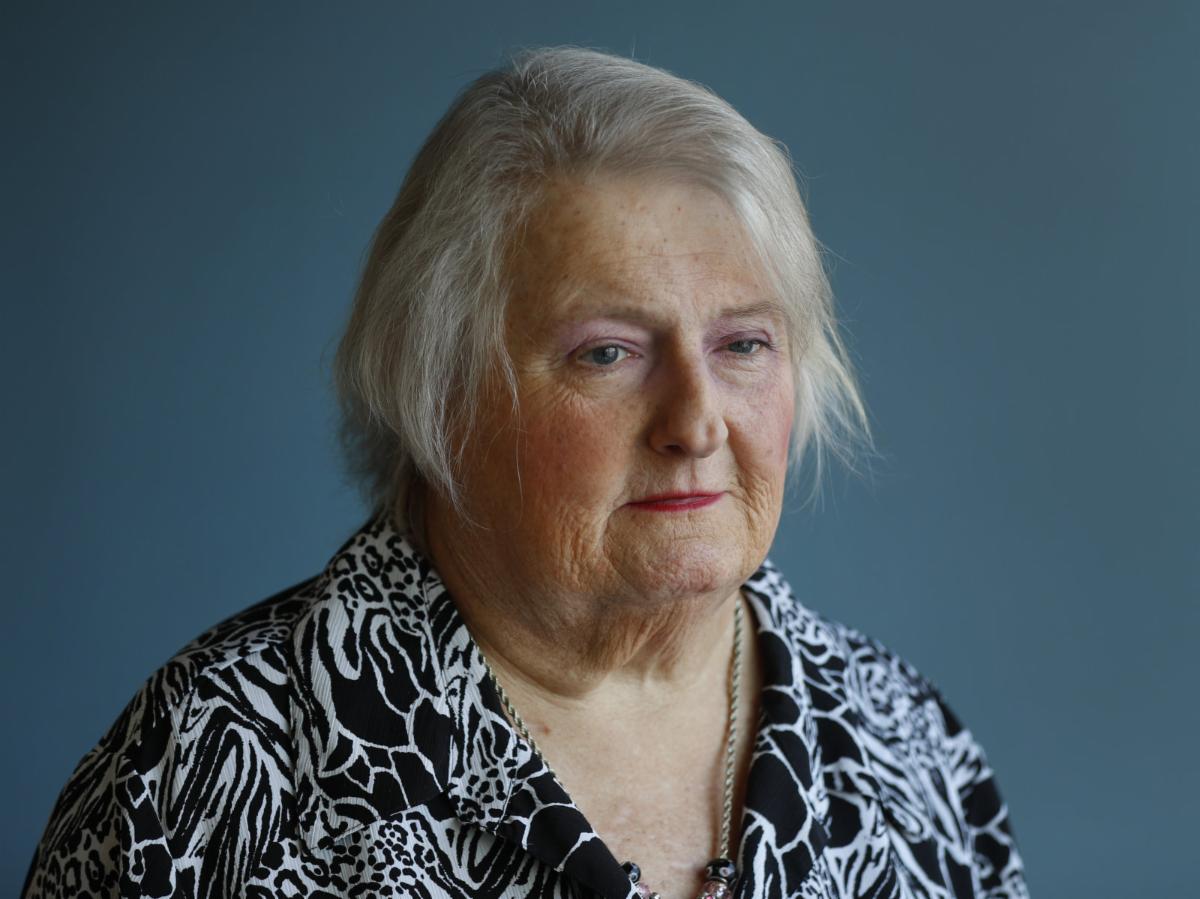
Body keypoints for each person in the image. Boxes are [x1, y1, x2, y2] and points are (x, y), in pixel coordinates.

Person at [23, 46, 1028, 899]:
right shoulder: (203, 770)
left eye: (744, 345)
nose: (695, 421)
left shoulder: (906, 747)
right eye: (607, 352)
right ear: (438, 389)